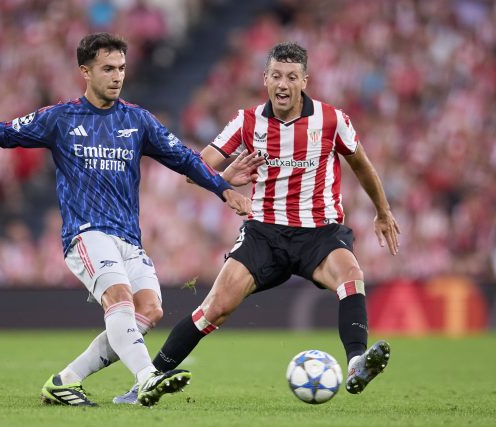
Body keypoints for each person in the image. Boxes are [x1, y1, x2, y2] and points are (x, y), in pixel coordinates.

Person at [0, 32, 251, 407]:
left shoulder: (138, 121)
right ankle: (147, 377)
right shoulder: (60, 118)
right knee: (119, 298)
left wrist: (223, 189)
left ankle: (64, 381)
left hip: (128, 237)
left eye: (121, 68)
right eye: (108, 69)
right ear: (85, 71)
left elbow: (185, 158)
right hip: (85, 233)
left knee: (149, 310)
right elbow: (1, 133)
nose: (117, 76)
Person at [115, 41, 400, 404]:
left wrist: (383, 210)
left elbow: (360, 163)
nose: (283, 84)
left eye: (292, 77)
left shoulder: (332, 120)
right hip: (264, 233)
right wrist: (224, 178)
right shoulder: (247, 121)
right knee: (215, 308)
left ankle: (357, 362)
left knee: (351, 275)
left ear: (305, 81)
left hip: (319, 232)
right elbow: (195, 167)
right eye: (276, 76)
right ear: (265, 78)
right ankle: (147, 381)